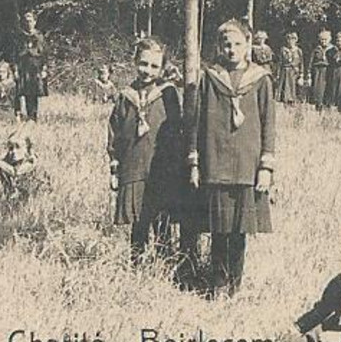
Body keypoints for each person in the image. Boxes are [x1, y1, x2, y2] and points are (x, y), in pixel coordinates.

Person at [189, 18, 278, 298]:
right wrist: (194, 161)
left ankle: (234, 286)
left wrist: (266, 166)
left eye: (238, 43)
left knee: (239, 230)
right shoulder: (210, 77)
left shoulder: (261, 80)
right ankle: (217, 283)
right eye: (226, 44)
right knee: (219, 228)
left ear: (249, 45)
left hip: (247, 166)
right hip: (216, 163)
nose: (232, 49)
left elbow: (268, 124)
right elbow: (196, 121)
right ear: (219, 47)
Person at [108, 36, 185, 264]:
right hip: (133, 166)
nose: (147, 70)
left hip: (160, 168)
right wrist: (114, 168)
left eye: (154, 66)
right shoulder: (125, 96)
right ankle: (137, 263)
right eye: (143, 64)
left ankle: (165, 265)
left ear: (162, 68)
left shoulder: (168, 94)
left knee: (162, 219)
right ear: (135, 62)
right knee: (138, 221)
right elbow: (114, 133)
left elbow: (177, 128)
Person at [13, 11, 50, 122]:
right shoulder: (19, 37)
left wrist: (44, 69)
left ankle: (32, 117)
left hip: (35, 69)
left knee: (33, 93)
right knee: (20, 92)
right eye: (26, 21)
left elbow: (45, 54)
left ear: (34, 22)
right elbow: (14, 55)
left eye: (30, 21)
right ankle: (18, 115)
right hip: (23, 67)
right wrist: (15, 69)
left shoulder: (39, 37)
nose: (28, 23)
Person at [0, 125, 42, 197]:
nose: (14, 151)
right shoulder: (12, 158)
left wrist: (0, 163)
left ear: (26, 148)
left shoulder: (30, 161)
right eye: (11, 148)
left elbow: (16, 172)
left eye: (18, 147)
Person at [275, 31, 304, 104]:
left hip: (294, 71)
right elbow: (280, 62)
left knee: (294, 86)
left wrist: (301, 74)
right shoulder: (283, 50)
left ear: (295, 40)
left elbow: (301, 63)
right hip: (285, 71)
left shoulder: (298, 50)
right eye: (289, 39)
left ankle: (294, 100)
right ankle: (285, 100)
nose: (291, 41)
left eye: (293, 39)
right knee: (285, 86)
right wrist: (278, 74)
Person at [310, 30, 333, 111]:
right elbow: (311, 62)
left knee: (328, 88)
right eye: (322, 39)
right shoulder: (316, 49)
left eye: (325, 39)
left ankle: (327, 107)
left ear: (329, 40)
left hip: (328, 72)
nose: (323, 41)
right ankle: (318, 107)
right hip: (318, 72)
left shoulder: (333, 49)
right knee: (318, 90)